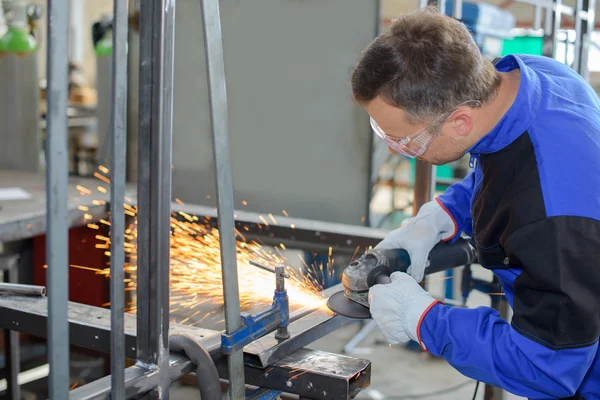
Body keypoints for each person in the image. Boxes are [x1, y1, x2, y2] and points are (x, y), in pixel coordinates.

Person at [351, 6, 600, 399]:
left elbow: (548, 368)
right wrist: (444, 214)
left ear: (460, 122)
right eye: (383, 133)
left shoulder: (551, 222)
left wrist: (424, 319)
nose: (396, 150)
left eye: (406, 140)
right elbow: (506, 158)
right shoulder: (529, 78)